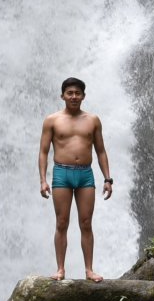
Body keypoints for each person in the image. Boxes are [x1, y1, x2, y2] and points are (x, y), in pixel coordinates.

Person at [37, 76, 113, 280]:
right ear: (62, 95)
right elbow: (43, 151)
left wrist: (108, 179)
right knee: (61, 222)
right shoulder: (52, 120)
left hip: (85, 174)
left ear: (83, 96)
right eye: (69, 93)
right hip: (61, 173)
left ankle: (89, 270)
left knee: (86, 222)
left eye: (77, 93)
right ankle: (60, 269)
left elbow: (101, 151)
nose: (73, 96)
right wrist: (43, 180)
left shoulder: (93, 120)